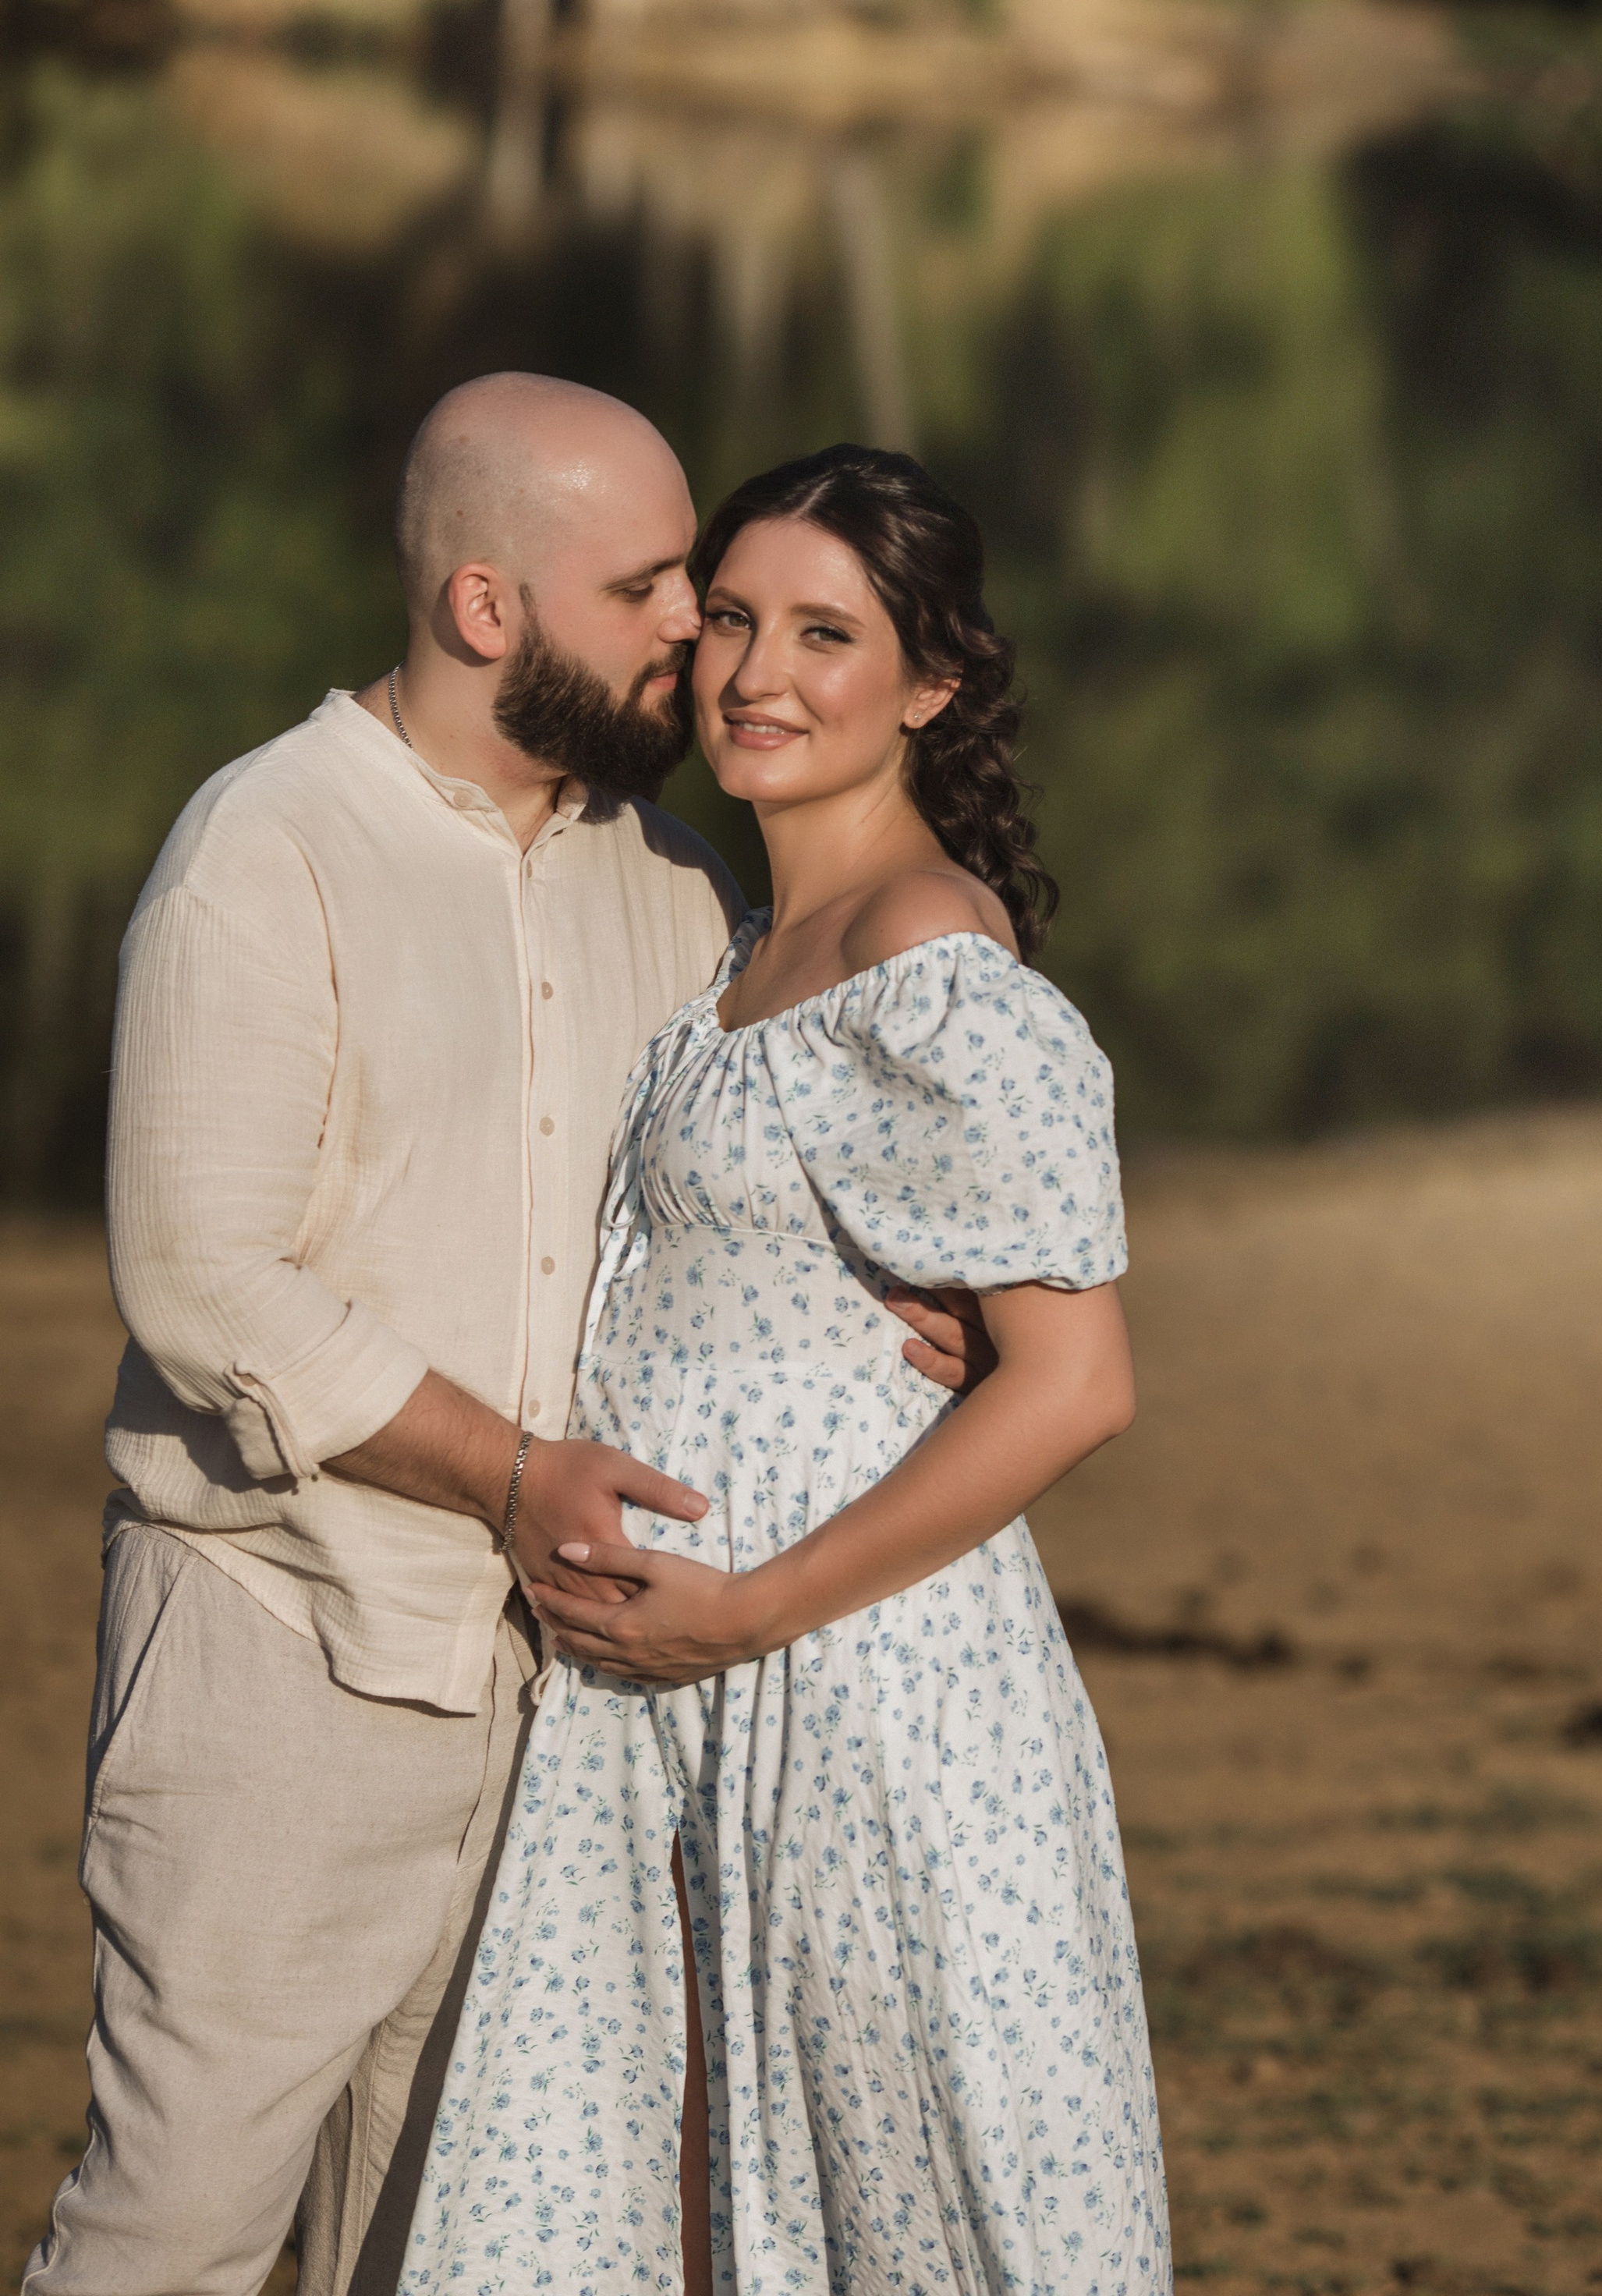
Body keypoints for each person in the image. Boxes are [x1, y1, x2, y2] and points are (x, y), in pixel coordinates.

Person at [27, 377, 980, 2296]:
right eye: (650, 591)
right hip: (284, 1661)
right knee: (173, 2241)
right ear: (486, 608)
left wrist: (902, 1305)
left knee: (459, 2248)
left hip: (569, 1705)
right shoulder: (264, 851)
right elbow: (207, 1285)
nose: (694, 639)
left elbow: (738, 1199)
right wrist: (519, 1473)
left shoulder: (684, 883)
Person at [399, 445, 1171, 2296]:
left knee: (912, 2179)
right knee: (689, 2196)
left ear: (931, 681)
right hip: (686, 1684)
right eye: (731, 617)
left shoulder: (925, 951)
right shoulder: (742, 955)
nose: (754, 673)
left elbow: (1074, 1381)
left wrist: (750, 1609)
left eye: (825, 633)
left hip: (859, 1683)